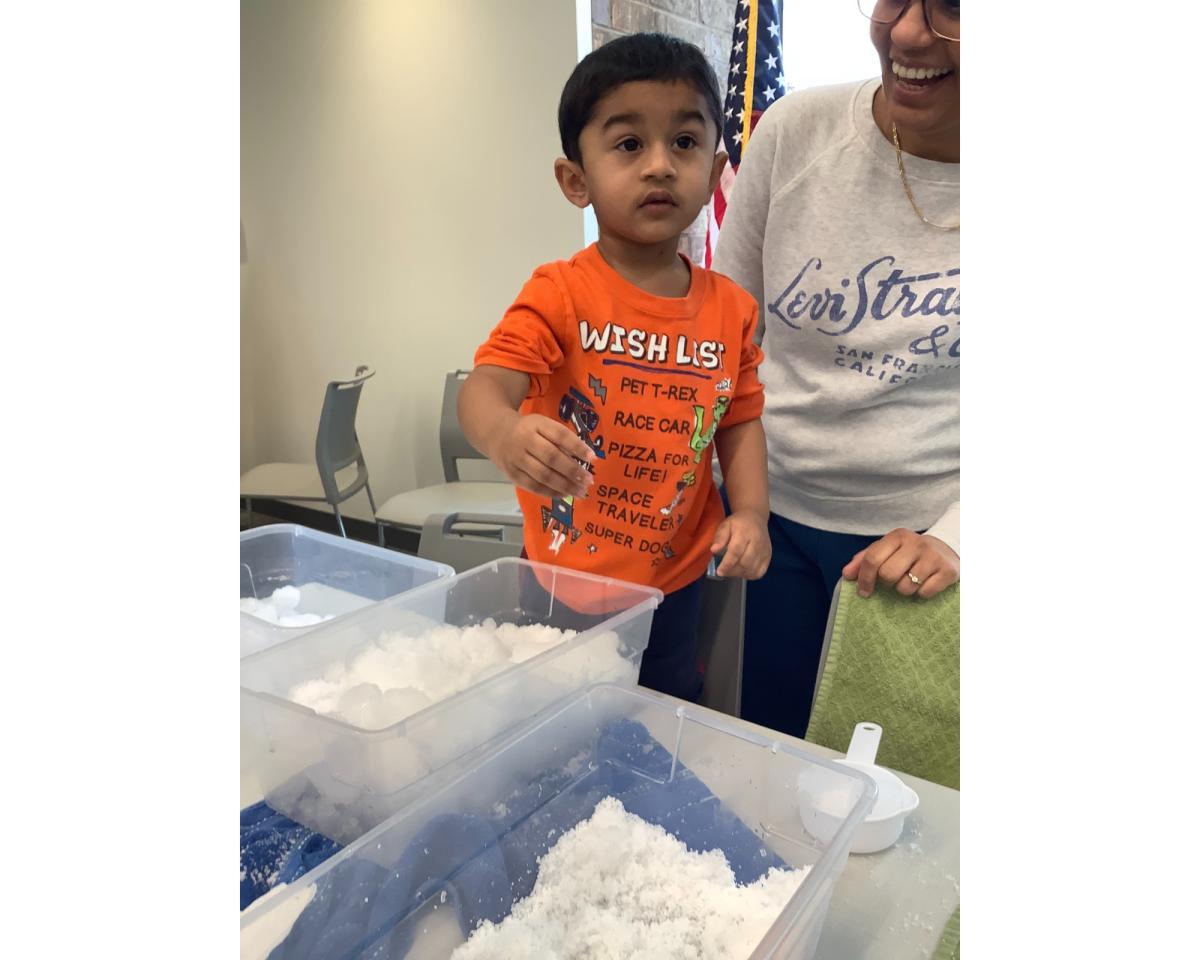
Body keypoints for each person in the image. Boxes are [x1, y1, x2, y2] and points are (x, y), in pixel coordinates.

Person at [458, 33, 771, 702]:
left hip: (674, 581)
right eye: (629, 144)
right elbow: (484, 388)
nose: (660, 166)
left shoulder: (733, 310)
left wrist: (751, 513)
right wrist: (504, 434)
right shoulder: (559, 293)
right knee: (556, 714)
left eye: (684, 142)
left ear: (715, 172)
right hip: (563, 578)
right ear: (577, 180)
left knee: (658, 709)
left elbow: (739, 422)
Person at [710, 0, 961, 739]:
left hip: (924, 544)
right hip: (765, 522)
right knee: (762, 753)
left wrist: (954, 537)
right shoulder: (795, 131)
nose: (907, 32)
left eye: (950, 5)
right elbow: (724, 337)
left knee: (894, 778)